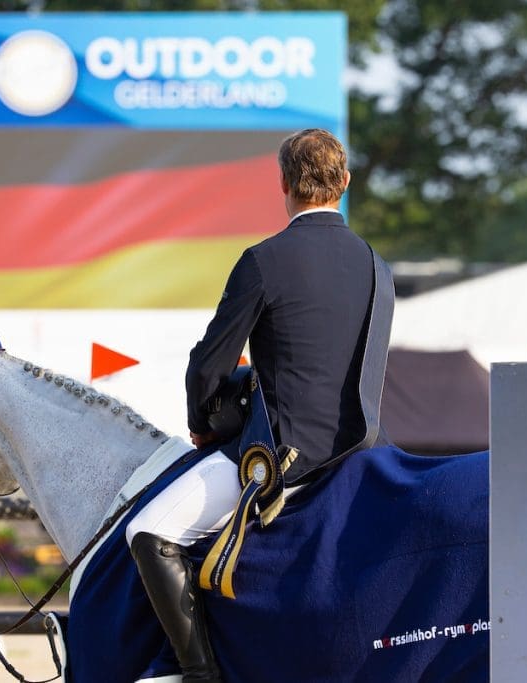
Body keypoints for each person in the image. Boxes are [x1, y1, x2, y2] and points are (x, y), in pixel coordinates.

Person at [126, 128, 393, 682]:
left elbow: (208, 367)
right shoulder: (378, 266)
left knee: (148, 533)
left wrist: (204, 423)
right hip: (368, 452)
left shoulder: (263, 260)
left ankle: (199, 674)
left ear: (284, 184)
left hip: (282, 460)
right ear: (345, 182)